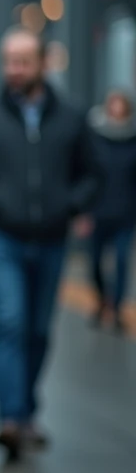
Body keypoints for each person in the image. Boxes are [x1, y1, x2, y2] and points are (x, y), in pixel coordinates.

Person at [0, 26, 100, 462]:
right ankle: (11, 420)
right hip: (7, 239)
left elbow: (91, 174)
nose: (14, 70)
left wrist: (70, 205)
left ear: (42, 63)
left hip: (53, 240)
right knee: (14, 324)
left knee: (39, 330)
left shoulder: (72, 118)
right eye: (8, 62)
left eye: (22, 61)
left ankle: (27, 411)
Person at [85, 88, 136, 332]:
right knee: (94, 262)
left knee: (121, 260)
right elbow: (87, 174)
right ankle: (101, 299)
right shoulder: (95, 136)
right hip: (99, 212)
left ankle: (116, 309)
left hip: (126, 212)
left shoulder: (133, 138)